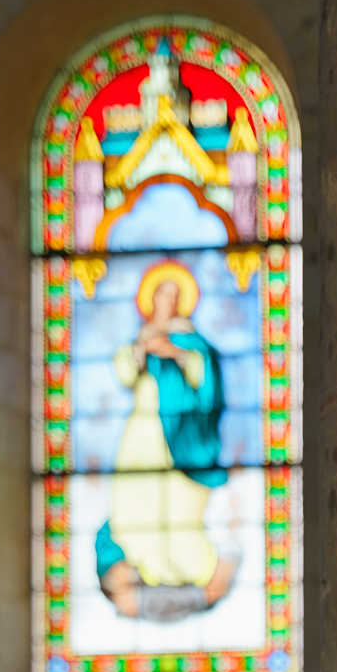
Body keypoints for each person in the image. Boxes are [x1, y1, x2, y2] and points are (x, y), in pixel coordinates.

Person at [95, 261, 239, 620]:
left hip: (181, 434)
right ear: (151, 299)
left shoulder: (191, 340)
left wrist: (176, 353)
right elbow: (124, 372)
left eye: (175, 295)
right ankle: (143, 566)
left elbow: (207, 379)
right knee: (135, 501)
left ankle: (187, 570)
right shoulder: (141, 338)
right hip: (143, 433)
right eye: (163, 293)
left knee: (179, 504)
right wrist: (144, 349)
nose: (168, 301)